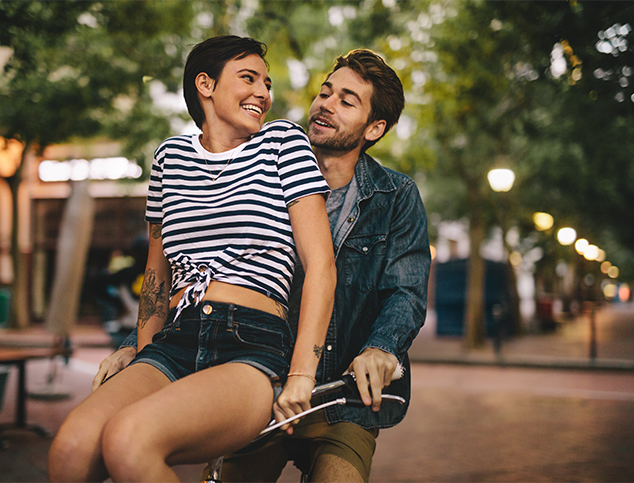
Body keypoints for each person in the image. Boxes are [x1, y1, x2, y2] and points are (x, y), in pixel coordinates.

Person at [95, 48, 430, 482]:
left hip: (339, 398)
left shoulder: (395, 196)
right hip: (260, 381)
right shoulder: (262, 167)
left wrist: (381, 348)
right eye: (325, 93)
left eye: (346, 101)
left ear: (375, 127)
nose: (325, 104)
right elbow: (201, 268)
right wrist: (135, 345)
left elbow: (406, 291)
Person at [48, 35, 336, 482]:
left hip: (250, 343)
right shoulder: (170, 157)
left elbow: (321, 265)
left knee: (129, 441)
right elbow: (156, 275)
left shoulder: (283, 142)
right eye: (248, 78)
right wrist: (143, 357)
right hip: (176, 340)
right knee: (70, 451)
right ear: (205, 84)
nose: (263, 92)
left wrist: (302, 373)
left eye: (267, 82)